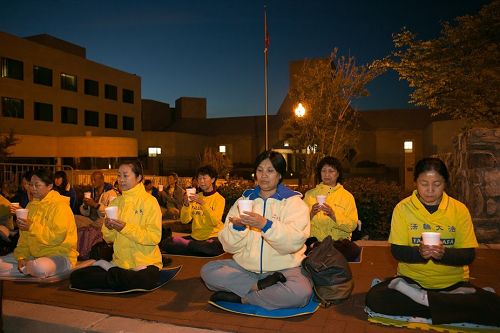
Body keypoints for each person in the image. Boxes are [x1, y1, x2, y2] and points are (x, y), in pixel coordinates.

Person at [365, 157, 500, 326]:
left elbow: (468, 255)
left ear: (445, 183)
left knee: (495, 307)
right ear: (415, 182)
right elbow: (397, 251)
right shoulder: (403, 208)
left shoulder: (459, 210)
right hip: (412, 281)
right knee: (375, 298)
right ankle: (449, 306)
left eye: (437, 184)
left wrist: (444, 254)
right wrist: (419, 253)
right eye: (424, 183)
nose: (430, 190)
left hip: (453, 283)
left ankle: (427, 302)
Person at [201, 150, 313, 310]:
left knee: (301, 293)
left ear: (280, 175)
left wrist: (266, 225)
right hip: (247, 269)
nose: (264, 175)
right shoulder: (244, 201)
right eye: (260, 170)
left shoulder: (294, 203)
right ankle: (257, 287)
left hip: (283, 270)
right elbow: (228, 246)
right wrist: (238, 229)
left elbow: (293, 243)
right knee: (208, 270)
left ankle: (243, 297)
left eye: (270, 170)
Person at [70, 160, 163, 291]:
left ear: (139, 178)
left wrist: (124, 228)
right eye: (119, 175)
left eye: (125, 175)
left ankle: (115, 274)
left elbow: (154, 237)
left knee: (141, 279)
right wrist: (108, 228)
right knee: (77, 277)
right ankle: (117, 274)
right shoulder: (116, 203)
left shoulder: (150, 202)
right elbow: (109, 239)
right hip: (120, 264)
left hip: (145, 263)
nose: (121, 180)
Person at [0, 169, 78, 278]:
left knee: (40, 267)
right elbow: (24, 239)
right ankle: (28, 268)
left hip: (60, 256)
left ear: (50, 186)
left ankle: (29, 268)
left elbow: (57, 237)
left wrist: (32, 226)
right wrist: (22, 257)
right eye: (31, 185)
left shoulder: (60, 206)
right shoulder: (31, 206)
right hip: (34, 256)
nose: (32, 189)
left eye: (37, 185)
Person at [303, 156, 360, 261]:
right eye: (323, 171)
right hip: (315, 242)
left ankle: (322, 250)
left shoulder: (347, 197)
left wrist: (334, 216)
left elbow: (352, 225)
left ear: (338, 174)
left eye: (331, 171)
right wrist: (310, 215)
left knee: (352, 250)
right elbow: (299, 223)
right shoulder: (310, 195)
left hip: (338, 244)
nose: (327, 174)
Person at [160, 165, 225, 257]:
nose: (201, 181)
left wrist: (203, 204)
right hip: (195, 238)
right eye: (199, 178)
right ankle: (193, 248)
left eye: (204, 178)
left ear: (213, 180)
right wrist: (186, 205)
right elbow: (185, 220)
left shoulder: (219, 199)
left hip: (212, 238)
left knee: (212, 247)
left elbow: (214, 222)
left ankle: (190, 247)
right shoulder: (195, 196)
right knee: (166, 243)